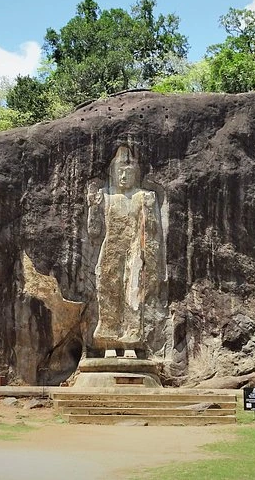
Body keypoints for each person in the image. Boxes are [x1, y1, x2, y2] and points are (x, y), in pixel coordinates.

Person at [87, 144, 163, 357]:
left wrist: (149, 211)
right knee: (108, 293)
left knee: (133, 294)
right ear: (112, 172)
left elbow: (152, 230)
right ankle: (109, 341)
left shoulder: (144, 196)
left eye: (128, 172)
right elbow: (94, 232)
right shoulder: (106, 195)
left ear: (136, 173)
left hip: (135, 250)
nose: (123, 176)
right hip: (110, 250)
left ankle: (131, 342)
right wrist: (93, 206)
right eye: (119, 171)